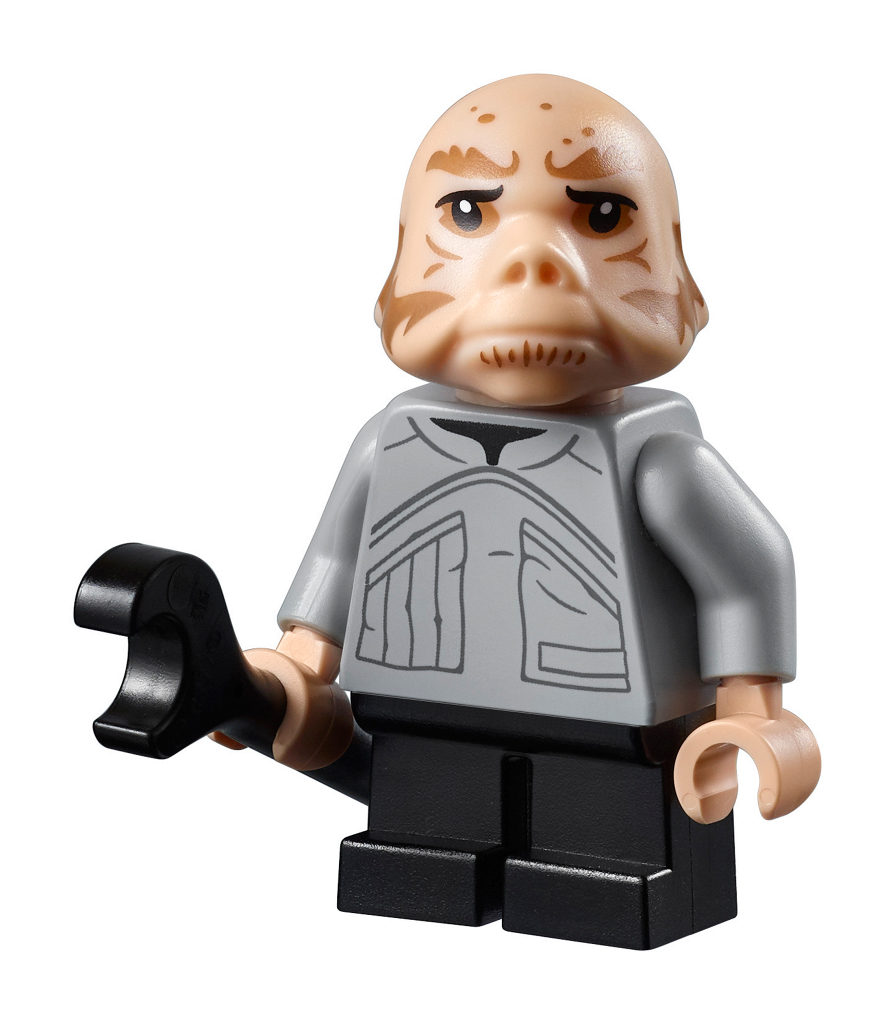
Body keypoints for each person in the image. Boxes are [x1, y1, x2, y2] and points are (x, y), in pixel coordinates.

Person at [212, 74, 820, 948]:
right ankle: (427, 865)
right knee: (421, 842)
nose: (531, 262)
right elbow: (341, 561)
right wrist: (299, 665)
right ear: (394, 270)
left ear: (680, 276)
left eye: (600, 216)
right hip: (420, 711)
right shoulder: (391, 441)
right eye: (468, 212)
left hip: (612, 733)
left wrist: (750, 710)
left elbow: (746, 571)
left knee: (605, 864)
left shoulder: (659, 461)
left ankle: (600, 891)